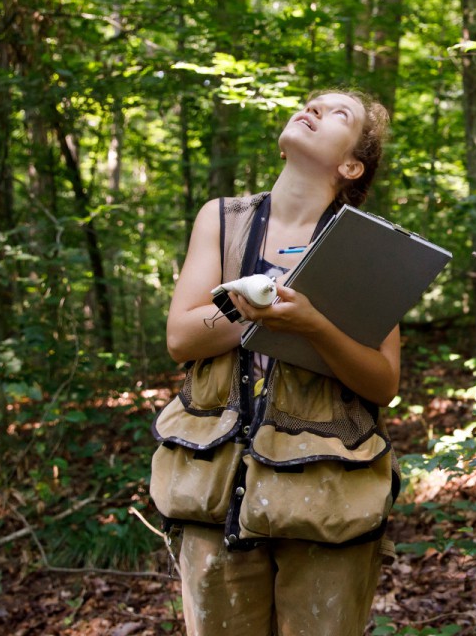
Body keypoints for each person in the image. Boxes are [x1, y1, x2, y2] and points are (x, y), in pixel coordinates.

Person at [158, 90, 398, 635]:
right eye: (310, 103)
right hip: (212, 488)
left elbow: (383, 383)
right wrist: (252, 314)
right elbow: (179, 337)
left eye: (337, 113)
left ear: (351, 165)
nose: (312, 110)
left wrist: (313, 325)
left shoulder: (367, 248)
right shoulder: (221, 220)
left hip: (328, 498)